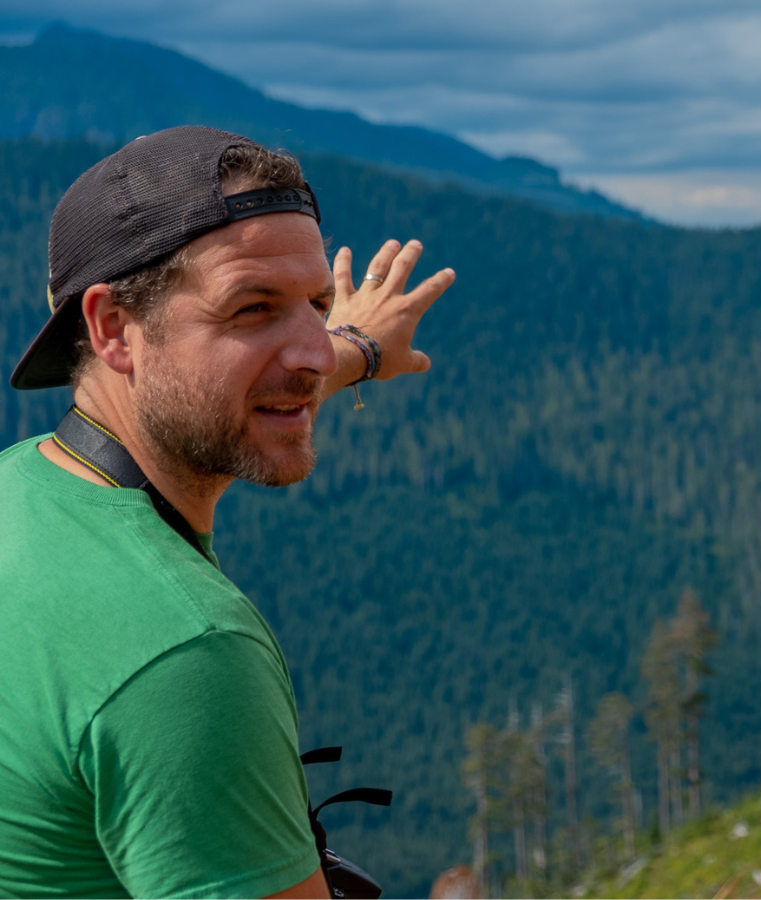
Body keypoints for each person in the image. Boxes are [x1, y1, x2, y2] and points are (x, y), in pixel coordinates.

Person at [0, 126, 455, 898]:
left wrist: (361, 347)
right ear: (113, 328)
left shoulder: (25, 491)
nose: (311, 352)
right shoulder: (185, 653)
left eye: (316, 303)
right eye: (253, 308)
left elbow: (256, 376)